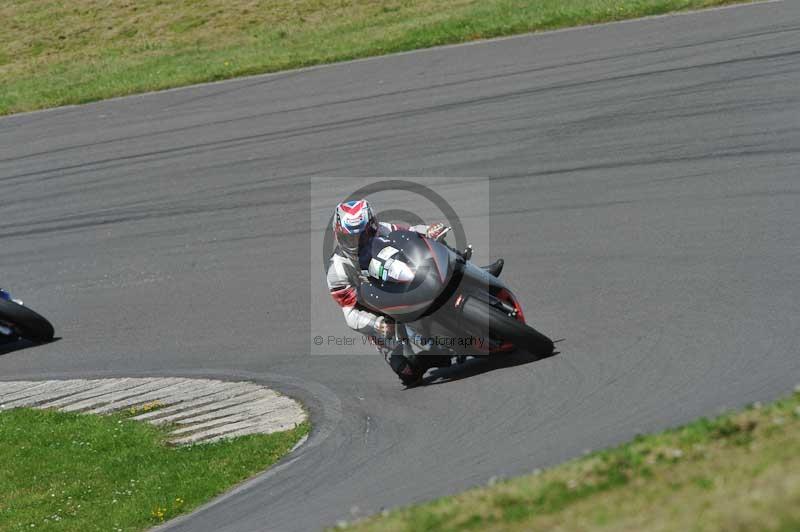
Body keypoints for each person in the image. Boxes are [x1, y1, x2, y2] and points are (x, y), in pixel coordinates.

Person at [326, 199, 503, 385]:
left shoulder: (383, 229)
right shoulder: (337, 270)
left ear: (373, 226)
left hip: (406, 279)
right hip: (382, 313)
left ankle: (472, 271)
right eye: (350, 238)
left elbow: (410, 234)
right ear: (338, 235)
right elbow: (350, 312)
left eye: (364, 235)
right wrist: (377, 324)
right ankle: (437, 354)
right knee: (407, 372)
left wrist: (429, 231)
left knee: (433, 245)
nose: (358, 243)